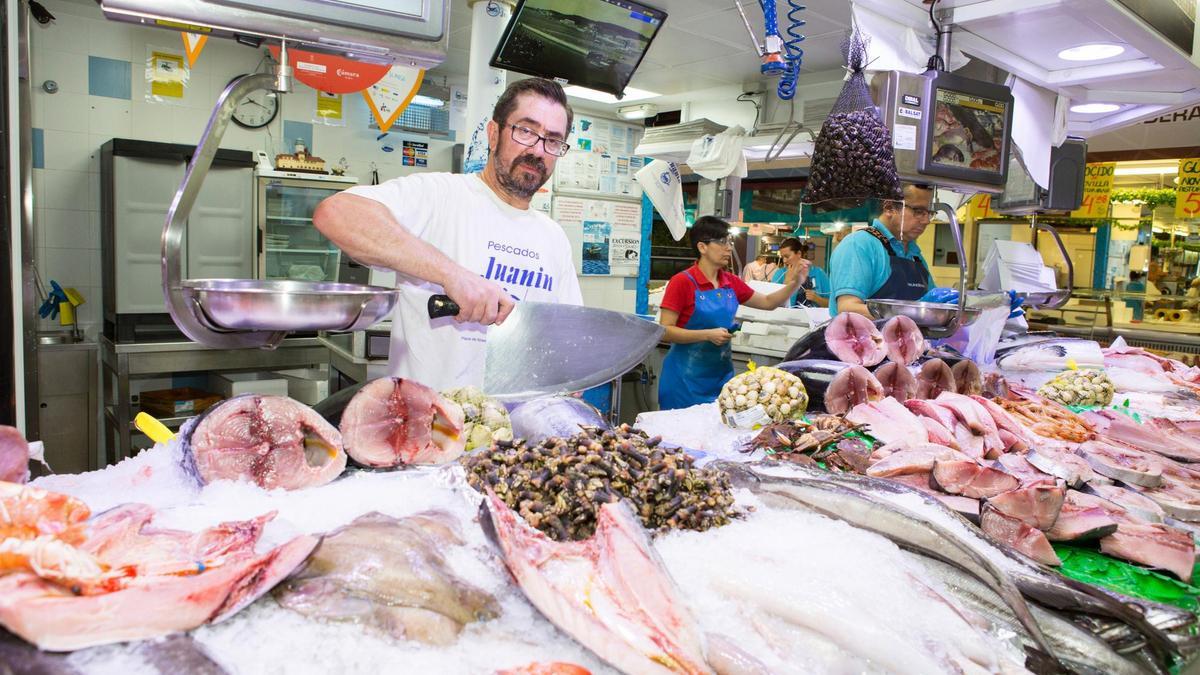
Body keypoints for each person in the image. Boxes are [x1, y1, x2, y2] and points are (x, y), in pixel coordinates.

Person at [312, 78, 582, 390]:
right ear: (494, 134)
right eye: (526, 131)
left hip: (519, 432)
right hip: (429, 427)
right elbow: (336, 213)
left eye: (552, 140)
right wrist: (451, 275)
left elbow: (568, 345)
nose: (538, 150)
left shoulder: (554, 238)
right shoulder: (440, 195)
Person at [657, 216, 810, 410]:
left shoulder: (730, 281)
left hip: (722, 379)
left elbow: (768, 302)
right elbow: (665, 330)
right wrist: (707, 335)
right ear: (702, 247)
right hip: (683, 381)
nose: (729, 247)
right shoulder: (682, 282)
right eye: (722, 242)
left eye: (729, 241)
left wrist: (795, 283)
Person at [828, 184, 934, 317]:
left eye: (929, 213)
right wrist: (909, 315)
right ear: (889, 208)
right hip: (862, 337)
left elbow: (928, 306)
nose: (926, 221)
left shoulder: (915, 256)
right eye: (919, 211)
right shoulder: (859, 245)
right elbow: (848, 309)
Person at [773, 238, 830, 307]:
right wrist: (787, 282)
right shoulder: (780, 274)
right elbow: (772, 303)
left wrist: (817, 298)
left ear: (799, 253)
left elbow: (831, 305)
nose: (784, 261)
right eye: (782, 257)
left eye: (787, 257)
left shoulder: (819, 273)